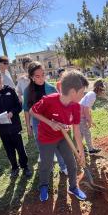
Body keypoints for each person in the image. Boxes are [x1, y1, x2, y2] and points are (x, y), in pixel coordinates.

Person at [30, 70, 88, 202]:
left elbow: (77, 130)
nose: (83, 95)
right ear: (73, 92)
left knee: (72, 163)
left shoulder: (76, 106)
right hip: (46, 138)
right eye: (82, 92)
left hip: (63, 138)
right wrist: (50, 122)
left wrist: (81, 151)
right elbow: (32, 111)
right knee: (47, 164)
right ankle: (43, 185)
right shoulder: (50, 100)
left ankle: (73, 187)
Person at [0, 67, 32, 178]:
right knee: (8, 149)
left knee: (20, 147)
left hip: (15, 125)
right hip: (2, 128)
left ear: (1, 79)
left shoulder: (10, 90)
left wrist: (12, 112)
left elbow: (18, 106)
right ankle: (14, 167)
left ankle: (25, 167)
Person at [23, 61, 68, 174]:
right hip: (38, 123)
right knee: (43, 147)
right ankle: (49, 165)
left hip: (53, 121)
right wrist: (28, 126)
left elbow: (59, 106)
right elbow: (27, 110)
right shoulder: (27, 91)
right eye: (37, 76)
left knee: (57, 144)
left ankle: (63, 166)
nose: (41, 78)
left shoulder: (51, 88)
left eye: (43, 74)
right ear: (32, 77)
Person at [79, 79, 105, 154]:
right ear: (100, 88)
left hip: (79, 115)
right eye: (103, 90)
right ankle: (91, 150)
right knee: (87, 133)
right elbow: (86, 109)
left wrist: (91, 120)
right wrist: (89, 121)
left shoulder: (91, 93)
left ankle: (78, 149)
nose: (103, 92)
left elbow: (88, 109)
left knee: (81, 133)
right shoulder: (92, 95)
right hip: (80, 116)